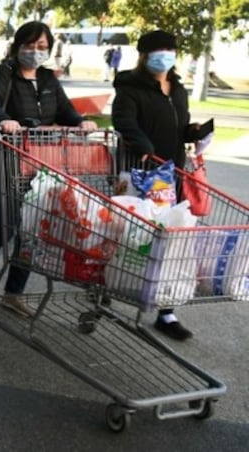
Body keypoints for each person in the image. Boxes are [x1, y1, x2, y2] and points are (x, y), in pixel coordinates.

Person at [0, 21, 97, 317]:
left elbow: (67, 111)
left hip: (40, 166)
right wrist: (3, 120)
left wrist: (81, 122)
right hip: (3, 163)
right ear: (18, 46)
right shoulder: (3, 73)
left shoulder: (48, 79)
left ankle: (13, 293)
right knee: (4, 228)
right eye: (30, 46)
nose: (35, 52)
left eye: (42, 47)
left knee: (30, 231)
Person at [111, 30, 203, 341]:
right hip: (142, 174)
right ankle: (107, 288)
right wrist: (144, 147)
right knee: (129, 239)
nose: (164, 55)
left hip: (171, 174)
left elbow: (180, 127)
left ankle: (166, 312)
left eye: (169, 50)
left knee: (169, 242)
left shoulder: (177, 89)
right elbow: (124, 121)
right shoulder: (130, 88)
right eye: (158, 50)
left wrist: (195, 132)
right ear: (144, 55)